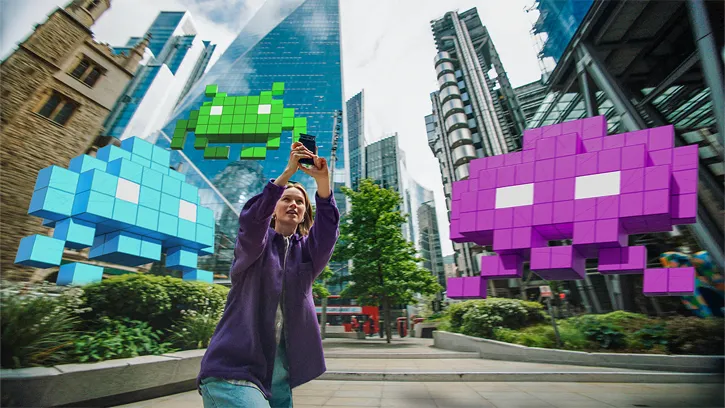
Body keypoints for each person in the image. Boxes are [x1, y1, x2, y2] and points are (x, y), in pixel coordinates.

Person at [197, 142, 340, 408]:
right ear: (274, 208)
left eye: (300, 202)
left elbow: (328, 232)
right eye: (286, 199)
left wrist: (322, 181)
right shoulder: (254, 247)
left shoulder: (306, 255)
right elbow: (251, 221)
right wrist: (286, 174)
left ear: (304, 214)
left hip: (278, 380)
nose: (294, 204)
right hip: (232, 372)